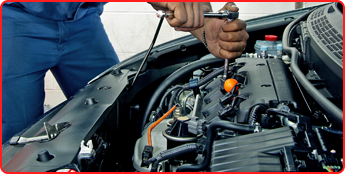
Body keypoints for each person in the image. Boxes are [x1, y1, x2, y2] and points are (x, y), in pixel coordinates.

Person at [2, 2, 248, 144]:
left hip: (82, 17)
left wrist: (204, 24)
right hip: (14, 16)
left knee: (113, 113)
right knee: (16, 138)